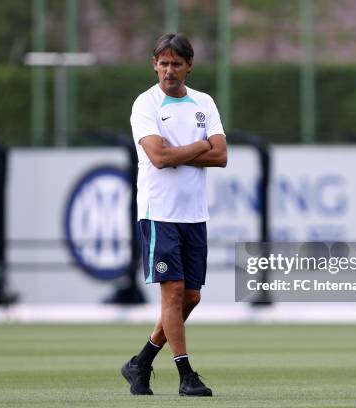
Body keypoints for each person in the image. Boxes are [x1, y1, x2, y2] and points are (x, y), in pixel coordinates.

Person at [121, 33, 227, 397]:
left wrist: (183, 150)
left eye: (176, 64)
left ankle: (141, 362)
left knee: (191, 298)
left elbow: (222, 156)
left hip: (194, 215)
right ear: (154, 65)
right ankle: (186, 375)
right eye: (163, 63)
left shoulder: (205, 103)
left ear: (189, 66)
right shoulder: (145, 104)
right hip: (159, 212)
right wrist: (200, 145)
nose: (169, 70)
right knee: (174, 292)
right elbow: (159, 158)